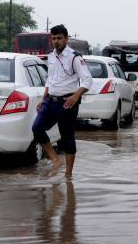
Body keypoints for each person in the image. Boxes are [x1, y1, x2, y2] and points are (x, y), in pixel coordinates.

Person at [31, 24, 93, 178]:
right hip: (50, 101)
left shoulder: (75, 57)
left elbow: (87, 80)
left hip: (67, 102)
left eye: (59, 38)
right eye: (54, 38)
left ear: (66, 39)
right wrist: (43, 98)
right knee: (37, 128)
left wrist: (76, 95)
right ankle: (55, 160)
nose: (56, 41)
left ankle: (68, 175)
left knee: (67, 138)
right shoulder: (51, 56)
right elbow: (50, 80)